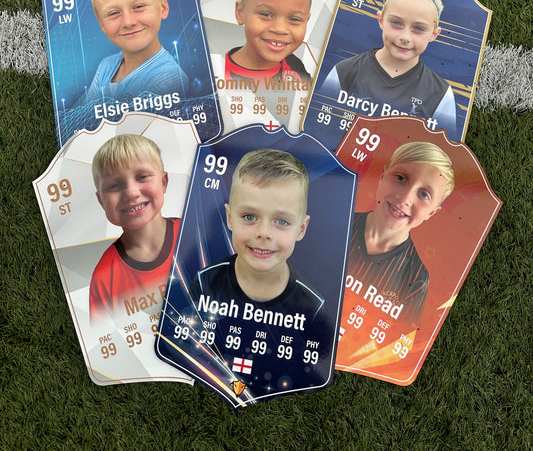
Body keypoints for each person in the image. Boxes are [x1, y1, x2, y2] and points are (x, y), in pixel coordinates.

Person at [337, 142, 455, 366]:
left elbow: (393, 348)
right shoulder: (336, 221)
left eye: (424, 194)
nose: (405, 198)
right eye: (400, 178)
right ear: (382, 177)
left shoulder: (416, 278)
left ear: (432, 213)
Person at [189, 149, 324, 323]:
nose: (264, 233)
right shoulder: (205, 282)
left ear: (301, 229)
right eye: (249, 217)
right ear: (229, 218)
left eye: (281, 221)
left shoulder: (313, 308)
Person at [321, 0, 457, 139]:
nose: (405, 37)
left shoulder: (440, 94)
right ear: (381, 20)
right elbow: (318, 126)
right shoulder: (344, 72)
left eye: (419, 28)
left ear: (434, 34)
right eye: (396, 23)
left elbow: (440, 150)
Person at [89, 134, 178, 320]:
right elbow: (104, 335)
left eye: (142, 177)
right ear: (101, 201)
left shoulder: (197, 232)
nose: (131, 193)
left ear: (163, 182)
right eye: (114, 185)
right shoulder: (103, 277)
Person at [85, 0, 189, 103]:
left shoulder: (171, 78)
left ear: (163, 7)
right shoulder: (106, 65)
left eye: (139, 7)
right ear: (101, 23)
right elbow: (87, 112)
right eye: (113, 13)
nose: (128, 22)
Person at [225, 0, 313, 84]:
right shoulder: (214, 72)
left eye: (295, 19)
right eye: (266, 15)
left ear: (306, 20)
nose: (280, 29)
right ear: (240, 13)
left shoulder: (294, 65)